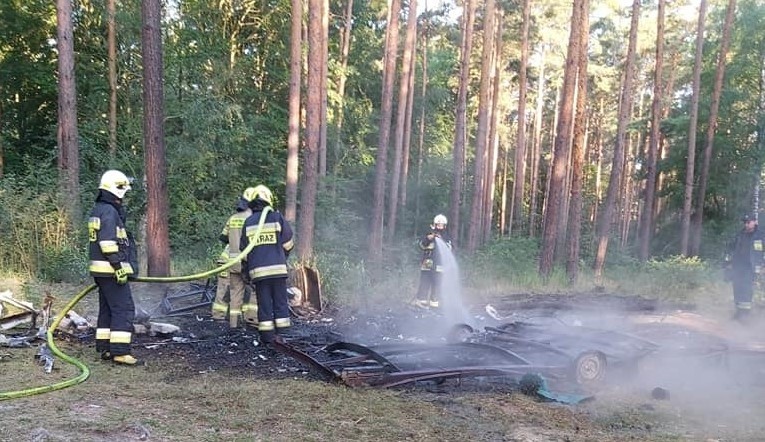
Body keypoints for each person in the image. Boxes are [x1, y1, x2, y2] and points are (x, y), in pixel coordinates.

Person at [88, 169, 142, 365]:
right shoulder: (110, 212)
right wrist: (118, 266)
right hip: (111, 270)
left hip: (101, 271)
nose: (124, 196)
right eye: (123, 191)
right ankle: (120, 352)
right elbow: (108, 243)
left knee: (108, 310)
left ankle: (106, 349)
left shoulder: (99, 209)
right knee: (124, 309)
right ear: (115, 189)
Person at [240, 185, 294, 344]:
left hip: (258, 272)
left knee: (264, 303)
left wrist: (246, 272)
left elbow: (244, 251)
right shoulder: (277, 217)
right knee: (280, 301)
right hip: (278, 270)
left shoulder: (248, 222)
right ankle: (283, 333)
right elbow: (289, 243)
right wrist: (282, 257)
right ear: (268, 200)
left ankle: (267, 337)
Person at [212, 189, 259, 328]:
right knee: (256, 290)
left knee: (234, 292)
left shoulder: (233, 218)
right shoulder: (255, 220)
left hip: (232, 261)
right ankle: (252, 319)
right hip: (249, 262)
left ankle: (233, 323)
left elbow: (224, 238)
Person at [725, 213, 765, 321]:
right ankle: (738, 312)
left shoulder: (761, 235)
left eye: (748, 222)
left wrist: (762, 266)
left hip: (750, 267)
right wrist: (728, 262)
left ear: (754, 222)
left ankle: (745, 315)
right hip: (738, 266)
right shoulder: (740, 234)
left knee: (746, 290)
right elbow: (731, 248)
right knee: (737, 288)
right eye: (745, 223)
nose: (746, 225)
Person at [415, 214, 453, 308]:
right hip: (427, 265)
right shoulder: (429, 235)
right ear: (435, 224)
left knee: (437, 285)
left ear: (444, 226)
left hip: (439, 266)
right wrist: (428, 239)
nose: (439, 227)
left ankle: (434, 304)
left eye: (441, 225)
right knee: (424, 283)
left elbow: (450, 248)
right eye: (438, 224)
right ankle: (421, 303)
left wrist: (441, 240)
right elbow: (421, 245)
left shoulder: (446, 237)